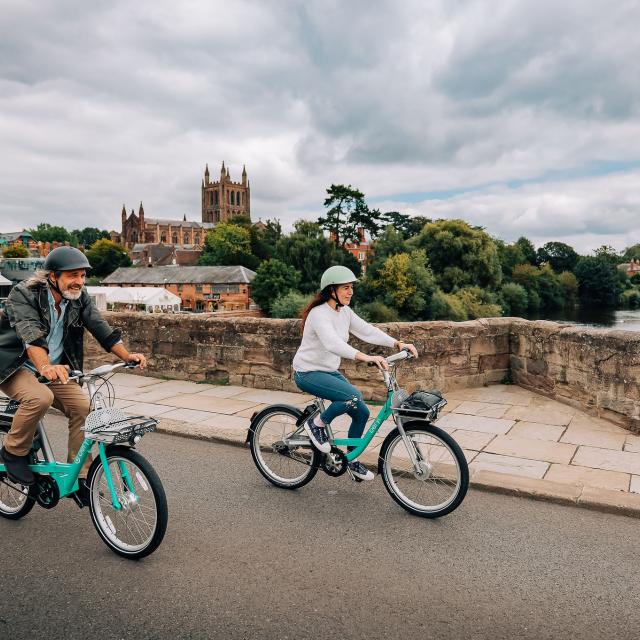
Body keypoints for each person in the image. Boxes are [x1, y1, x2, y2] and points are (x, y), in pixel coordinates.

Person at [0, 246, 146, 504]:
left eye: (82, 275)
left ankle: (80, 476)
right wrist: (45, 367)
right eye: (72, 275)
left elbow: (100, 327)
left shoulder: (79, 297)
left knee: (84, 408)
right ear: (53, 276)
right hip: (15, 365)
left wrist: (126, 356)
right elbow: (30, 334)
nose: (79, 281)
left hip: (55, 368)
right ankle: (13, 451)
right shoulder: (23, 294)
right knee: (39, 398)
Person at [292, 265, 418, 481]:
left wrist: (397, 343)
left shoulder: (345, 312)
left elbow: (367, 330)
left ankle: (351, 459)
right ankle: (316, 424)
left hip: (328, 371)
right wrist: (366, 357)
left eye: (351, 288)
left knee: (361, 412)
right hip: (307, 372)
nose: (350, 292)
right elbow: (332, 343)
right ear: (332, 290)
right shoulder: (319, 314)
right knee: (352, 396)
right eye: (346, 288)